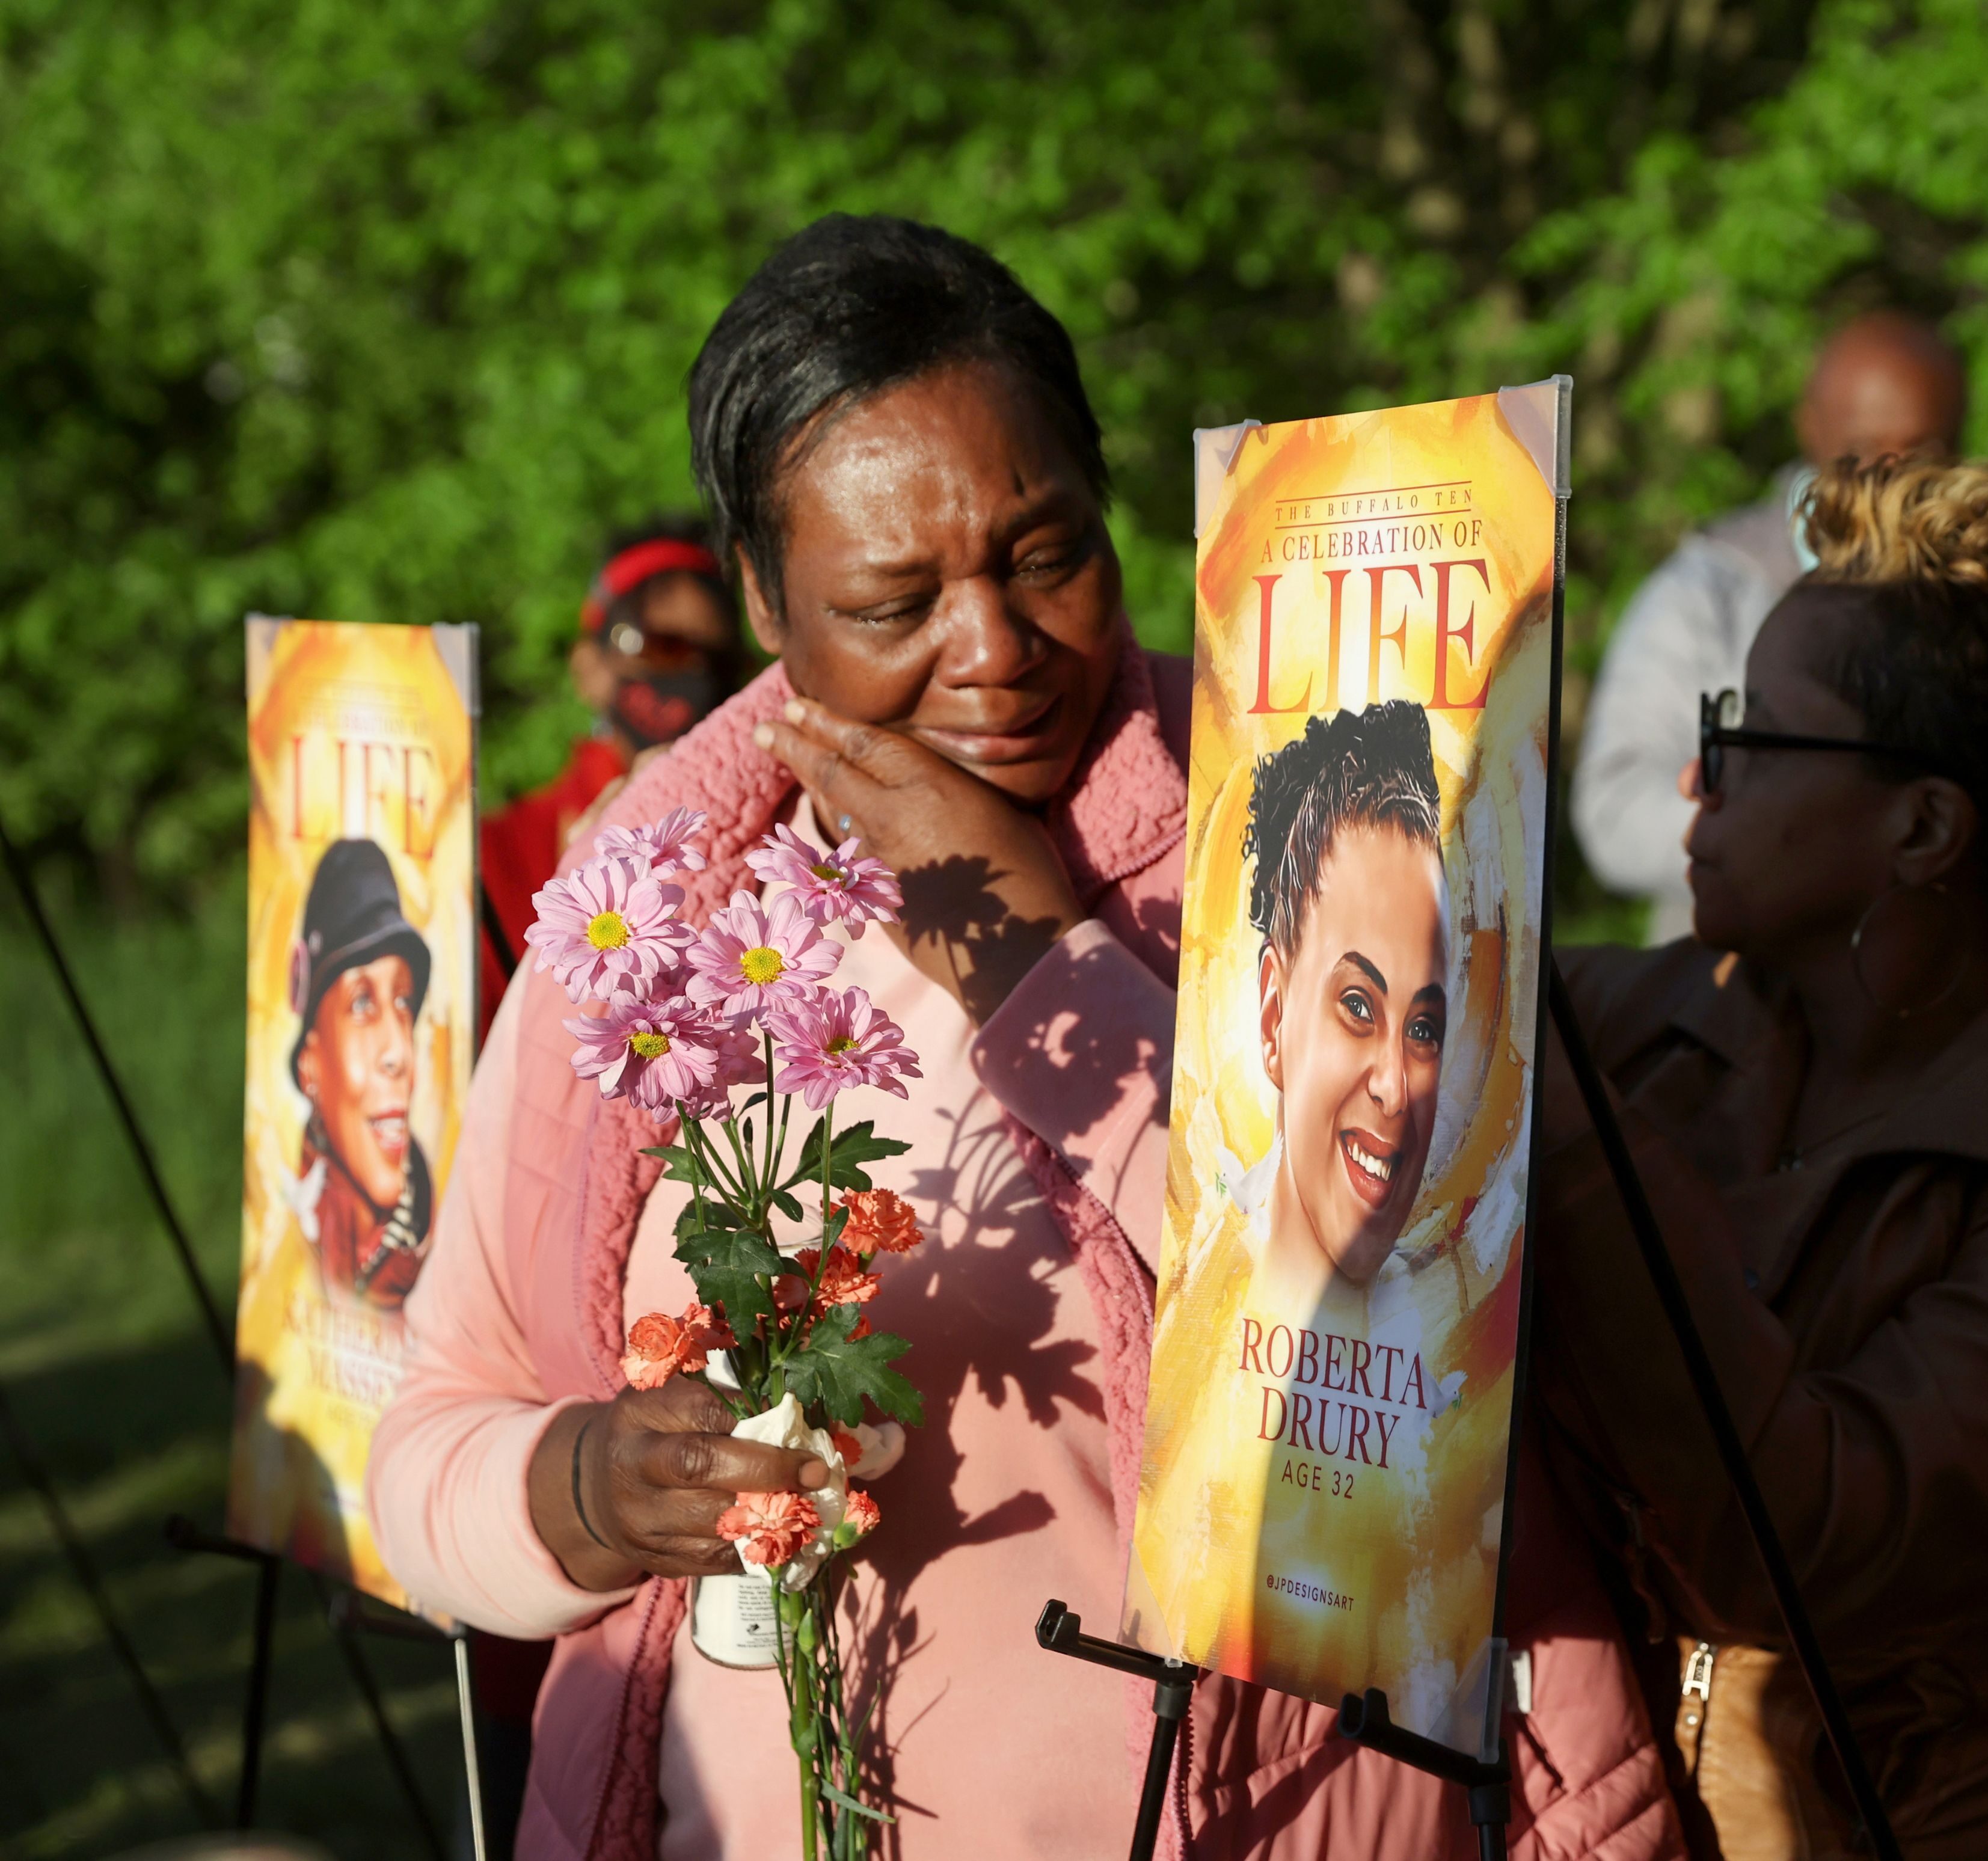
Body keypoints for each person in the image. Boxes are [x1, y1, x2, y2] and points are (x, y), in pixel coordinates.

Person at [370, 215, 1677, 1860]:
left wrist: (1033, 957)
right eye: (893, 599)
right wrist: (579, 1489)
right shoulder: (655, 910)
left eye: (1044, 553)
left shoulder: (1308, 823)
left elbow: (1413, 1355)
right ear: (766, 603)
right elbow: (432, 1435)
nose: (992, 649)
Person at [1533, 455, 1988, 1860]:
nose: (1701, 773)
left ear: (1924, 827)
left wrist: (1563, 1140)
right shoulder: (1642, 1022)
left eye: (1752, 732)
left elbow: (1799, 1545)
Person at [1572, 313, 1965, 941]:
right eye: (1861, 450)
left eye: (1919, 452)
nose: (1885, 478)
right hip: (1729, 1003)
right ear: (1810, 426)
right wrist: (1782, 836)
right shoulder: (1710, 589)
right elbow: (1611, 810)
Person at [475, 521, 746, 1037]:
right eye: (658, 646)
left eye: (719, 658)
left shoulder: (764, 849)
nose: (693, 672)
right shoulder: (490, 858)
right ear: (587, 667)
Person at [1245, 700, 1450, 1305]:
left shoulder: (1453, 1392)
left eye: (1423, 1027)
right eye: (1358, 1006)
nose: (1395, 1086)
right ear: (1273, 1017)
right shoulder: (1189, 1313)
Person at [288, 837, 435, 1310]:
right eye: (362, 1003)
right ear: (310, 1060)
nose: (399, 1054)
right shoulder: (293, 1239)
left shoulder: (440, 1242)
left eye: (404, 1002)